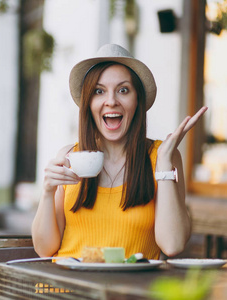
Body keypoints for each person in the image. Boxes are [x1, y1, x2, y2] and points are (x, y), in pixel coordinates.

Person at [31, 44, 208, 260]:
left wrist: (163, 163)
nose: (111, 101)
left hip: (129, 290)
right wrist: (48, 191)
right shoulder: (69, 157)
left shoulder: (162, 156)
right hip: (69, 288)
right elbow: (44, 249)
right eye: (99, 91)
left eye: (123, 90)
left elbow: (172, 244)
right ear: (88, 103)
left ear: (137, 101)